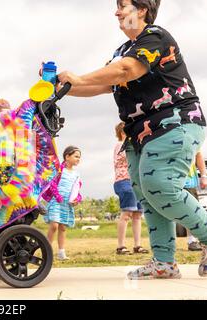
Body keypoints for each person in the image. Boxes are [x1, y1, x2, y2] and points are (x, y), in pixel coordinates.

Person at [58, 0, 207, 279]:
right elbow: (104, 84)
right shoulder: (122, 51)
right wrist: (62, 88)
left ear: (141, 10)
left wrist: (76, 78)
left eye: (123, 5)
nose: (117, 12)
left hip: (174, 121)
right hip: (139, 133)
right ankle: (163, 262)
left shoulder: (155, 37)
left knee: (160, 185)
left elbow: (127, 71)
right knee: (147, 195)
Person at [113, 122, 148, 255]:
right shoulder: (120, 145)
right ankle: (120, 245)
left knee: (138, 214)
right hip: (124, 181)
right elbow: (127, 157)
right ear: (123, 132)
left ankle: (137, 245)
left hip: (135, 181)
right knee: (126, 213)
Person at [42, 146, 82, 261]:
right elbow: (52, 184)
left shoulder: (76, 174)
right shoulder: (59, 170)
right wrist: (58, 196)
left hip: (66, 204)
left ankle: (61, 252)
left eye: (79, 157)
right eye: (76, 156)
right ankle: (47, 251)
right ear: (67, 156)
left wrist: (77, 199)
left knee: (63, 227)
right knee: (54, 225)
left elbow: (77, 189)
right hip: (56, 201)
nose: (78, 159)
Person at [182, 151, 207, 251]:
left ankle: (192, 240)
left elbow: (198, 155)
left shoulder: (192, 137)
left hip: (189, 182)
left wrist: (204, 176)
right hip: (171, 181)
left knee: (192, 211)